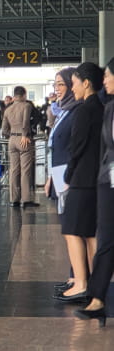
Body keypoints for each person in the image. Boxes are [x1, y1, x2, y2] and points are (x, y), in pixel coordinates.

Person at [54, 62, 104, 303]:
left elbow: (77, 147)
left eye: (73, 84)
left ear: (86, 83)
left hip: (82, 179)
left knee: (72, 230)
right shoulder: (103, 107)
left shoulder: (84, 110)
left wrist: (67, 175)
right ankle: (94, 281)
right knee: (90, 233)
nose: (73, 89)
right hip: (97, 178)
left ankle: (81, 283)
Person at [76, 57, 114, 325]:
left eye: (109, 76)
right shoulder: (109, 109)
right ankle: (97, 299)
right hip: (108, 183)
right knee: (107, 240)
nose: (106, 81)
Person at [44, 67, 80, 294]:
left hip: (69, 176)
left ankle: (78, 277)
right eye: (55, 84)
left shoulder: (77, 111)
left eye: (60, 85)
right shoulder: (63, 111)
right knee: (68, 229)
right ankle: (73, 275)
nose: (56, 89)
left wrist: (63, 176)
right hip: (59, 174)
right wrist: (50, 175)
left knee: (75, 229)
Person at [0, 86, 38, 207]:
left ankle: (14, 199)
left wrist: (12, 136)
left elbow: (4, 129)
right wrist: (24, 134)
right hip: (23, 139)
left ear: (14, 95)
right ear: (24, 95)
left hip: (12, 139)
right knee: (25, 170)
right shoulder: (26, 106)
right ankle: (25, 199)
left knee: (14, 170)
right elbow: (26, 121)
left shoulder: (7, 109)